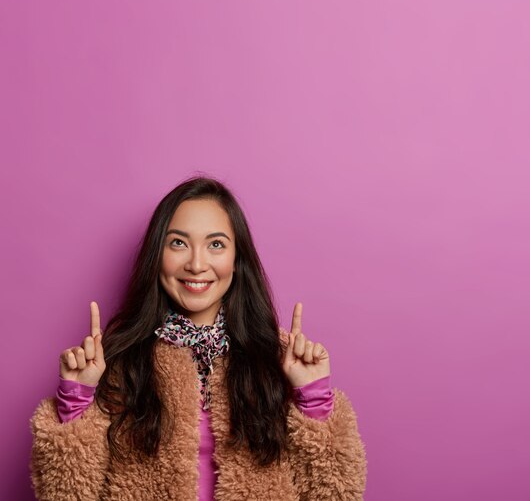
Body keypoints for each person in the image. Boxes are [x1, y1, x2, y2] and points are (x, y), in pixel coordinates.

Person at [29, 176, 367, 500]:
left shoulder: (276, 359)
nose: (196, 263)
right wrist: (76, 402)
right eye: (178, 243)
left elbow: (336, 493)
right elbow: (67, 494)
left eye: (216, 245)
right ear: (156, 256)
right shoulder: (120, 362)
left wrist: (313, 399)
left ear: (237, 261)